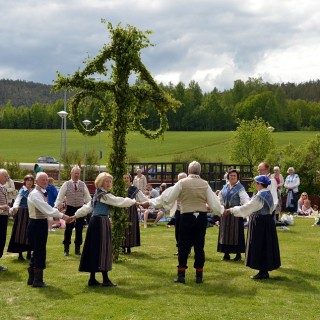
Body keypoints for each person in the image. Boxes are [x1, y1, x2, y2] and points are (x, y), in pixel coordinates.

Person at [139, 161, 224, 284]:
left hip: (186, 216)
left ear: (189, 171)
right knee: (199, 246)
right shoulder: (205, 184)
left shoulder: (182, 183)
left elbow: (166, 198)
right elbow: (214, 202)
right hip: (201, 217)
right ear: (199, 171)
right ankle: (199, 275)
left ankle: (181, 275)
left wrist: (151, 202)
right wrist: (222, 211)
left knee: (183, 245)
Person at [68, 172, 137, 287]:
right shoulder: (103, 195)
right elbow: (118, 201)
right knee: (103, 249)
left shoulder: (97, 194)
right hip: (101, 223)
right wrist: (134, 201)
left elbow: (87, 208)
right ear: (101, 182)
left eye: (110, 181)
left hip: (95, 222)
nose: (109, 183)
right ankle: (105, 279)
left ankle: (93, 278)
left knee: (94, 249)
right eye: (107, 181)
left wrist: (76, 215)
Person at [223, 175, 281, 279]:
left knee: (259, 245)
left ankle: (262, 271)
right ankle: (264, 270)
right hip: (267, 222)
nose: (254, 184)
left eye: (256, 183)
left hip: (260, 223)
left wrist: (231, 210)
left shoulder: (259, 197)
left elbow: (247, 208)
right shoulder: (268, 193)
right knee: (265, 245)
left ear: (259, 184)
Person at [27, 172, 69, 287]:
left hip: (39, 223)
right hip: (36, 224)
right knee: (39, 251)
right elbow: (46, 209)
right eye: (42, 180)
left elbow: (47, 210)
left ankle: (32, 279)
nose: (45, 182)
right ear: (37, 181)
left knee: (37, 251)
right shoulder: (35, 194)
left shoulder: (40, 193)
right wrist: (63, 216)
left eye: (46, 180)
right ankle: (37, 280)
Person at [55, 165, 91, 256]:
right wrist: (56, 207)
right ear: (71, 173)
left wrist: (90, 206)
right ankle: (66, 249)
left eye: (78, 174)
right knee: (68, 229)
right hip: (70, 208)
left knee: (79, 229)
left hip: (80, 208)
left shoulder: (83, 184)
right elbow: (60, 197)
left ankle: (77, 249)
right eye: (75, 173)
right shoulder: (66, 184)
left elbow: (88, 198)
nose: (77, 175)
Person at [217, 169, 250, 262]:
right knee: (225, 232)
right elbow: (220, 198)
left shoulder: (240, 188)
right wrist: (219, 208)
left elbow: (245, 200)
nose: (232, 177)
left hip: (235, 213)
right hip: (224, 212)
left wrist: (246, 208)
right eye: (231, 175)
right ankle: (226, 254)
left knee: (235, 233)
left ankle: (238, 254)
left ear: (237, 177)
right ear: (228, 177)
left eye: (234, 175)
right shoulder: (225, 186)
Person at [7, 174, 34, 261]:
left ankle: (29, 253)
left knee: (30, 233)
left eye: (31, 180)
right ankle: (20, 255)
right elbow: (17, 200)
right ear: (25, 181)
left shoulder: (33, 191)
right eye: (28, 180)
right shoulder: (22, 190)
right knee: (20, 233)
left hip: (31, 213)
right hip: (22, 213)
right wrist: (15, 207)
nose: (29, 182)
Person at [122, 174, 149, 254]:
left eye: (127, 178)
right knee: (122, 228)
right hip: (121, 209)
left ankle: (129, 247)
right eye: (124, 178)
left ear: (130, 179)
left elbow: (143, 198)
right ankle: (122, 246)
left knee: (131, 228)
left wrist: (150, 202)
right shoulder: (119, 189)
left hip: (131, 210)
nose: (126, 179)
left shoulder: (134, 189)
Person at [0, 169, 10, 271]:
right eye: (5, 176)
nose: (7, 179)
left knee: (2, 239)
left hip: (4, 217)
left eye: (7, 177)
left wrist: (10, 210)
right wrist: (1, 207)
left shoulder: (4, 188)